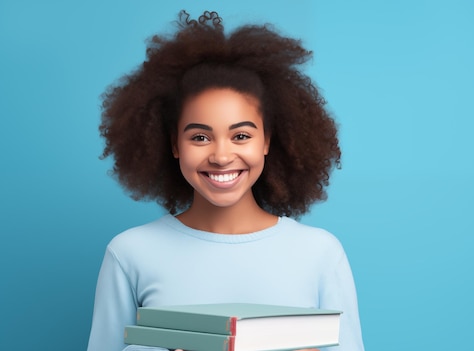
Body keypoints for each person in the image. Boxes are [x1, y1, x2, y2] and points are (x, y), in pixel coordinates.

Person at [87, 10, 364, 351]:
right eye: (200, 137)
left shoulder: (320, 254)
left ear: (266, 141)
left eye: (241, 136)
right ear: (174, 144)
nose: (220, 156)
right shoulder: (129, 254)